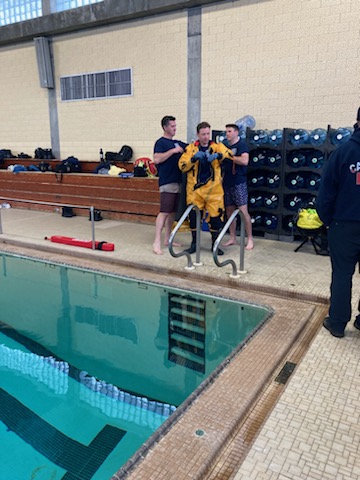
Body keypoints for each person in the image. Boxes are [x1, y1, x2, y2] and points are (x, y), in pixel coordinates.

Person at [316, 107, 360, 338]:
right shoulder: (343, 152)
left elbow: (325, 193)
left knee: (342, 275)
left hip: (344, 225)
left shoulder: (343, 153)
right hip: (344, 223)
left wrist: (327, 220)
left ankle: (338, 323)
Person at [178, 121, 234, 255]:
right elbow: (182, 166)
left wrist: (219, 156)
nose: (206, 137)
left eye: (208, 133)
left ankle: (215, 245)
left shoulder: (217, 146)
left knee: (216, 219)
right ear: (198, 134)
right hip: (195, 191)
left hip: (214, 190)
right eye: (203, 134)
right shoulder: (191, 149)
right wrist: (193, 159)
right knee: (194, 218)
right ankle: (194, 244)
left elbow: (230, 155)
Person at [152, 116, 187, 255]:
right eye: (172, 126)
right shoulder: (160, 143)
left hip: (177, 181)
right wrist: (173, 151)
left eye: (175, 126)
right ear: (165, 127)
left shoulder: (178, 143)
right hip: (167, 181)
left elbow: (191, 147)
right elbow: (157, 159)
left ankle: (167, 238)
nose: (174, 128)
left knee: (172, 212)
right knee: (164, 211)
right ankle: (157, 241)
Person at [221, 123, 254, 249]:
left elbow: (245, 161)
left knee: (243, 211)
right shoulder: (225, 146)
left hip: (239, 182)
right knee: (229, 211)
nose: (227, 134)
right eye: (226, 131)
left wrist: (229, 157)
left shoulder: (242, 145)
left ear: (236, 132)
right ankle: (232, 237)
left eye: (229, 131)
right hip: (227, 182)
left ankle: (250, 238)